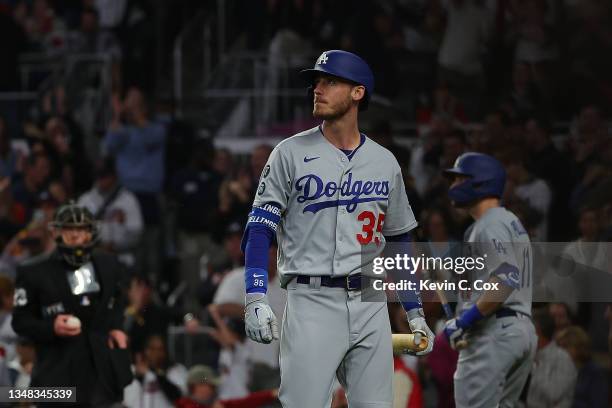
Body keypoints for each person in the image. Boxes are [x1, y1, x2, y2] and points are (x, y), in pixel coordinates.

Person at [241, 50, 433, 408]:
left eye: (330, 81)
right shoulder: (289, 153)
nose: (318, 88)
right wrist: (255, 296)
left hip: (370, 302)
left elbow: (398, 243)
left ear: (358, 93)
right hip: (311, 300)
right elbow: (258, 230)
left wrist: (415, 312)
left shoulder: (384, 161)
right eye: (316, 81)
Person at [11, 202, 131, 406]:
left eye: (81, 229)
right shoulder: (33, 272)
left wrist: (117, 328)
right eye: (69, 229)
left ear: (91, 232)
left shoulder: (110, 265)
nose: (76, 235)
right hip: (56, 378)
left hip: (102, 375)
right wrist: (52, 327)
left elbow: (118, 301)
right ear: (56, 232)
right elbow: (20, 322)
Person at [442, 152, 537, 408]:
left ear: (480, 181)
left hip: (493, 332)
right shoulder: (508, 221)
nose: (453, 186)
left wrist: (465, 320)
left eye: (458, 179)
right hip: (519, 329)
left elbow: (505, 278)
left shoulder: (490, 224)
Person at [526, 308, 577, 408]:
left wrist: (536, 365)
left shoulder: (562, 358)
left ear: (537, 331)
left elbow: (554, 394)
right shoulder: (531, 355)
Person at [175, 365, 278, 408]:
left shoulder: (210, 404)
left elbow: (242, 403)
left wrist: (270, 394)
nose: (213, 390)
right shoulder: (184, 405)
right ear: (197, 386)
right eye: (210, 386)